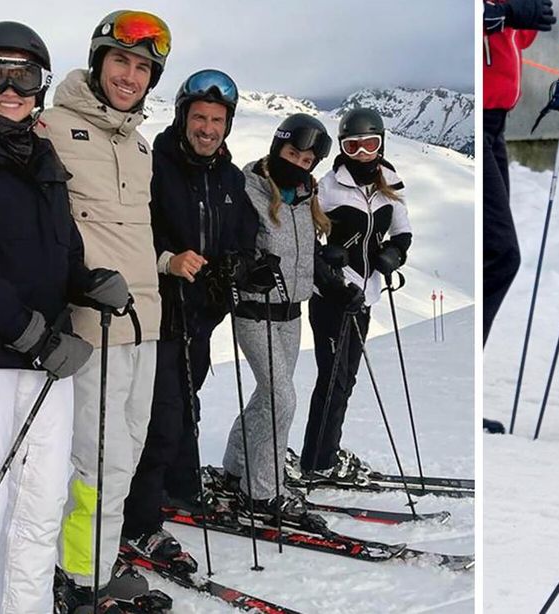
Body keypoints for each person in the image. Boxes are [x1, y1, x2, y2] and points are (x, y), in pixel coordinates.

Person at [0, 20, 128, 613]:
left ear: (41, 84)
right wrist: (30, 333)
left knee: (40, 509)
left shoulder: (42, 155)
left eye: (25, 74)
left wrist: (87, 283)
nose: (11, 88)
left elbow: (60, 246)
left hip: (48, 363)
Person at [35, 9, 172, 610]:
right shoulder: (52, 127)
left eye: (143, 67)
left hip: (147, 322)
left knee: (127, 455)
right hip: (96, 325)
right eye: (121, 60)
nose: (130, 75)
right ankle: (79, 580)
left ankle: (95, 560)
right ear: (98, 62)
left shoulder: (139, 144)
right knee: (95, 460)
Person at [121, 69, 258, 565]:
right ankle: (141, 520)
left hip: (201, 319)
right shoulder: (153, 164)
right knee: (160, 418)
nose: (207, 128)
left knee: (185, 409)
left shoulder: (229, 177)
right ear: (183, 118)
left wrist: (240, 264)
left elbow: (243, 235)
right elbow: (133, 230)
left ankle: (173, 491)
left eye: (217, 120)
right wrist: (168, 260)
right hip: (156, 313)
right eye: (199, 117)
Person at [220, 113, 336, 513]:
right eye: (292, 154)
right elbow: (230, 243)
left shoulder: (305, 196)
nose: (299, 165)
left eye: (307, 161)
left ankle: (236, 466)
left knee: (268, 396)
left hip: (292, 314)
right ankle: (262, 490)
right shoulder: (248, 188)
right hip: (255, 311)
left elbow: (306, 254)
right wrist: (245, 268)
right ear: (277, 148)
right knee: (282, 398)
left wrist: (333, 279)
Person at [298, 107, 409, 481]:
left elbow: (402, 230)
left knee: (347, 377)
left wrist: (394, 254)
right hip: (331, 295)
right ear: (343, 148)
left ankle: (326, 454)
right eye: (353, 145)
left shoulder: (390, 181)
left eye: (370, 144)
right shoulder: (328, 186)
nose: (362, 152)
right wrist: (328, 256)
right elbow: (307, 233)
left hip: (365, 296)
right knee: (332, 377)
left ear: (381, 143)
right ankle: (317, 461)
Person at [482, 0, 555, 343]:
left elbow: (515, 38)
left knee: (492, 255)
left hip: (496, 125)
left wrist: (521, 13)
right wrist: (498, 13)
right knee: (500, 255)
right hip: (478, 121)